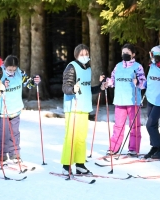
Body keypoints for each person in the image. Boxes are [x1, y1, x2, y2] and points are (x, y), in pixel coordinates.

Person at [61, 44, 107, 175]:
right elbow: (65, 87)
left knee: (81, 138)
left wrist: (100, 88)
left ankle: (80, 164)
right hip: (73, 108)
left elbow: (88, 89)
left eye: (86, 54)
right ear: (76, 56)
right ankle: (66, 165)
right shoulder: (71, 67)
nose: (85, 56)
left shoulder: (88, 69)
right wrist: (72, 89)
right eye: (82, 54)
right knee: (70, 137)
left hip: (84, 107)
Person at [0, 55, 41, 164]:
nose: (12, 72)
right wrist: (1, 86)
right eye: (10, 69)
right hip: (2, 110)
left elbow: (28, 84)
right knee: (3, 134)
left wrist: (34, 80)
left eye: (14, 69)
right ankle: (2, 156)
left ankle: (15, 155)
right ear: (5, 66)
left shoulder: (20, 73)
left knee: (15, 133)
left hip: (15, 109)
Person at [106, 43, 146, 156]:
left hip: (133, 101)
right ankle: (114, 147)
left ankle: (133, 148)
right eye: (123, 53)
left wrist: (138, 82)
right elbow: (112, 80)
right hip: (120, 100)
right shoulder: (118, 66)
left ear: (133, 54)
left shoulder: (137, 67)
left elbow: (144, 84)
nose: (125, 55)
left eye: (127, 53)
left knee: (134, 126)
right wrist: (106, 82)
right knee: (118, 125)